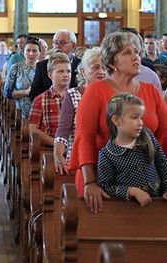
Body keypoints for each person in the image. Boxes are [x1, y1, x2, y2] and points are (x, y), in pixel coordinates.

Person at [68, 31, 167, 213]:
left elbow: (164, 136)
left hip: (147, 182)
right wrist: (90, 181)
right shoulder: (96, 91)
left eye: (136, 52)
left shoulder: (151, 91)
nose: (135, 57)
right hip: (103, 180)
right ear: (112, 62)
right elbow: (84, 137)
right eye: (127, 53)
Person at [97, 93, 167, 205]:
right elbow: (106, 187)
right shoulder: (106, 154)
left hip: (159, 203)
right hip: (129, 211)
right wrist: (131, 191)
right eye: (134, 118)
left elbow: (162, 163)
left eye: (141, 118)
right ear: (116, 120)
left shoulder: (147, 135)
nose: (140, 123)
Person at [53, 47, 107, 174]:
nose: (101, 72)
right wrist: (58, 153)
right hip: (80, 157)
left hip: (107, 159)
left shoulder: (111, 94)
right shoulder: (73, 94)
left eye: (104, 68)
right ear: (83, 72)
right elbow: (63, 129)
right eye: (95, 67)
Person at [29, 53, 71, 146]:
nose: (66, 75)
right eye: (60, 71)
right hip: (49, 149)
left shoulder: (76, 97)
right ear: (50, 74)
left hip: (73, 148)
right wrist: (56, 143)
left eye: (68, 71)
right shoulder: (40, 100)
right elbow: (32, 129)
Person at [29, 29, 80, 102]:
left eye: (62, 43)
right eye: (55, 43)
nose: (57, 46)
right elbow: (34, 93)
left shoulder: (81, 65)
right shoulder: (42, 66)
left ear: (73, 45)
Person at [4, 37, 41, 118]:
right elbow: (6, 93)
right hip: (21, 115)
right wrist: (25, 92)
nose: (31, 53)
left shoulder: (44, 68)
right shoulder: (15, 67)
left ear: (39, 53)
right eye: (28, 50)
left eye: (34, 51)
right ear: (23, 52)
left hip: (40, 112)